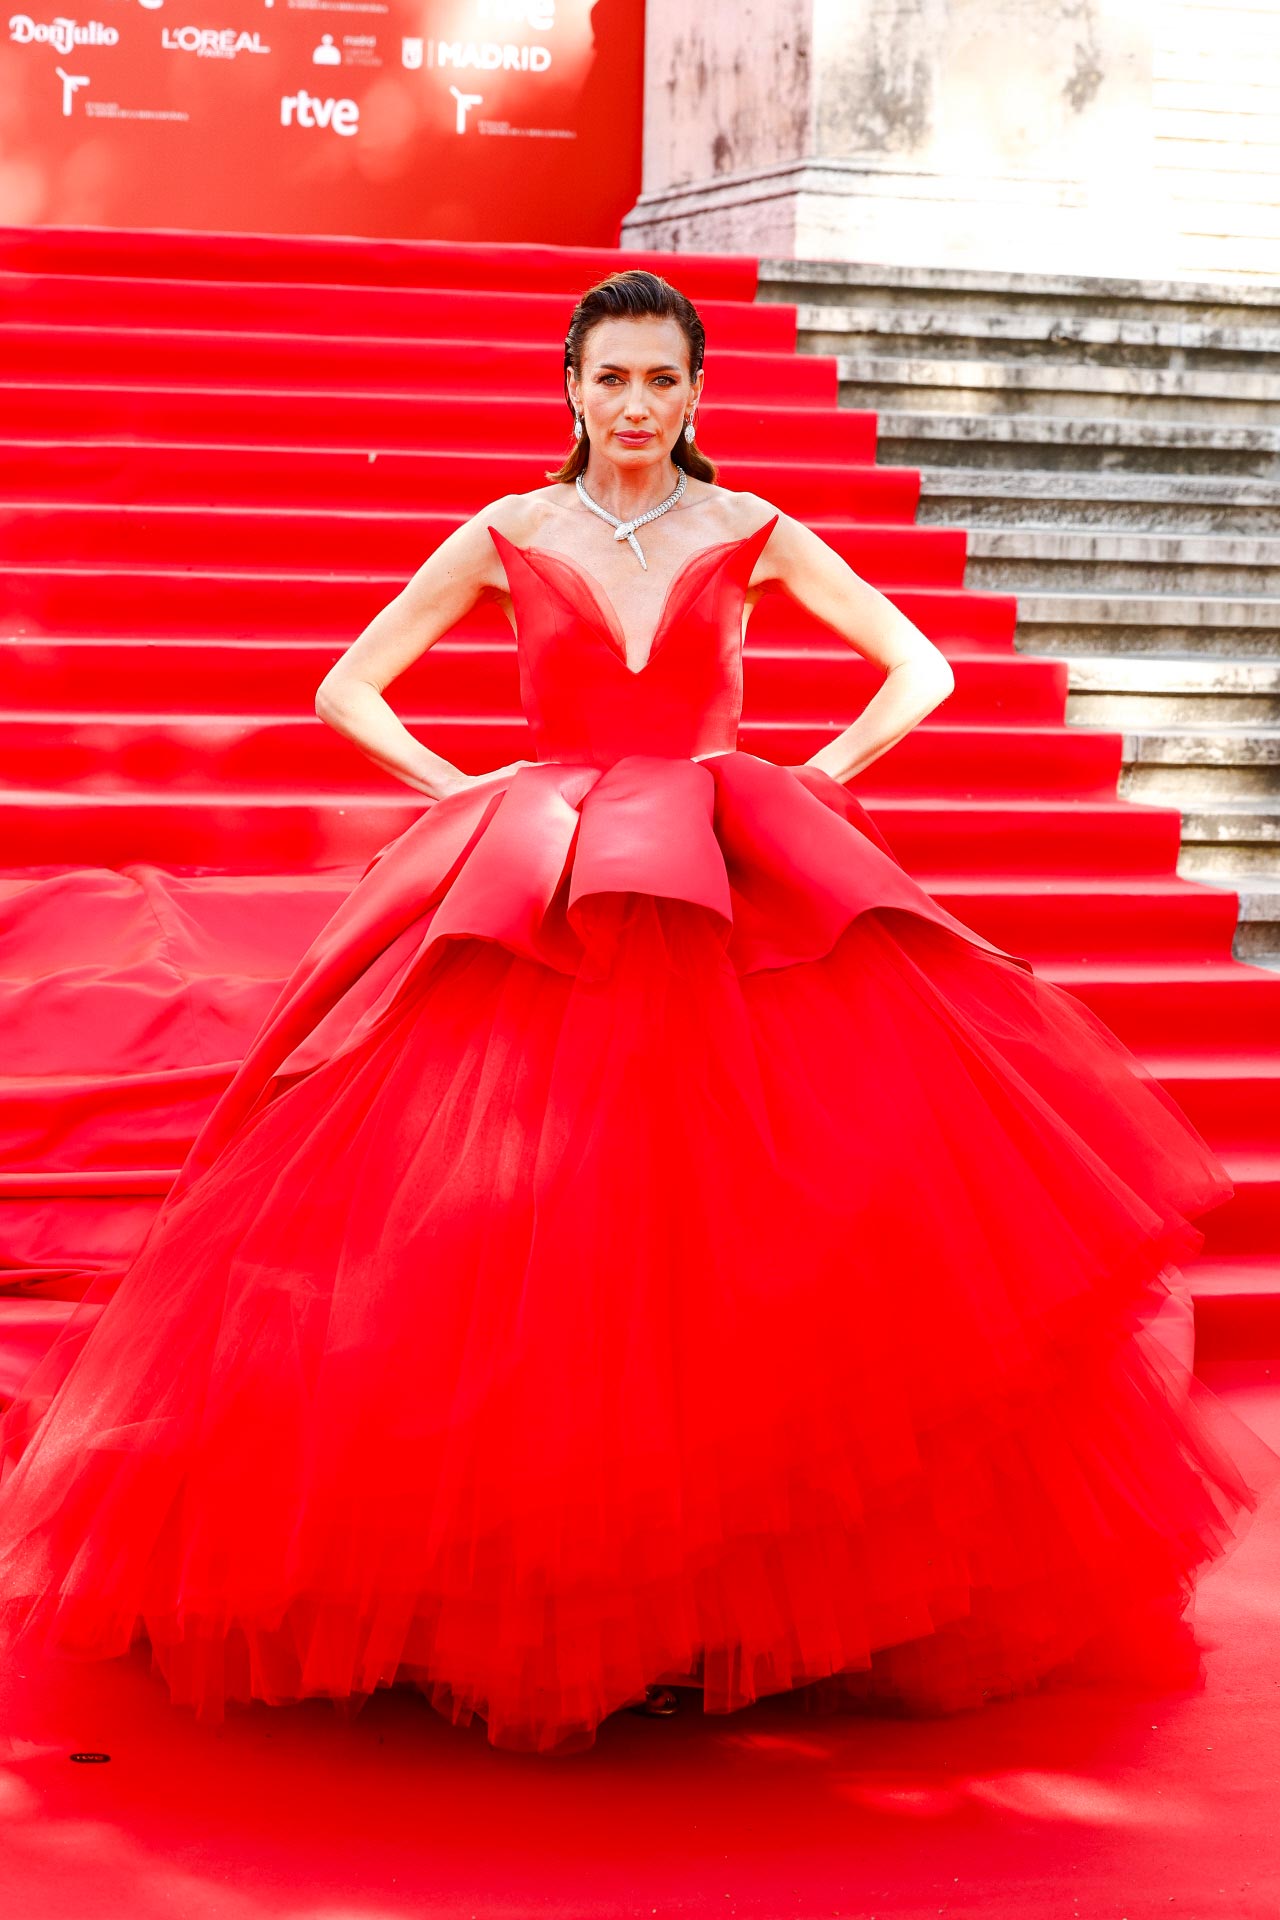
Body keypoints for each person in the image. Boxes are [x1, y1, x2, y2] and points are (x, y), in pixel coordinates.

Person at [0, 269, 1276, 1757]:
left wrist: (813, 775)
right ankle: (544, 1590)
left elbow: (918, 665)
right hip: (546, 884)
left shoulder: (752, 531)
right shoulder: (507, 532)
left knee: (741, 1230)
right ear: (571, 386)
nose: (633, 407)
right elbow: (350, 685)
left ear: (695, 392)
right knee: (516, 1237)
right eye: (609, 379)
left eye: (661, 381)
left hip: (721, 885)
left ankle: (732, 1607)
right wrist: (471, 789)